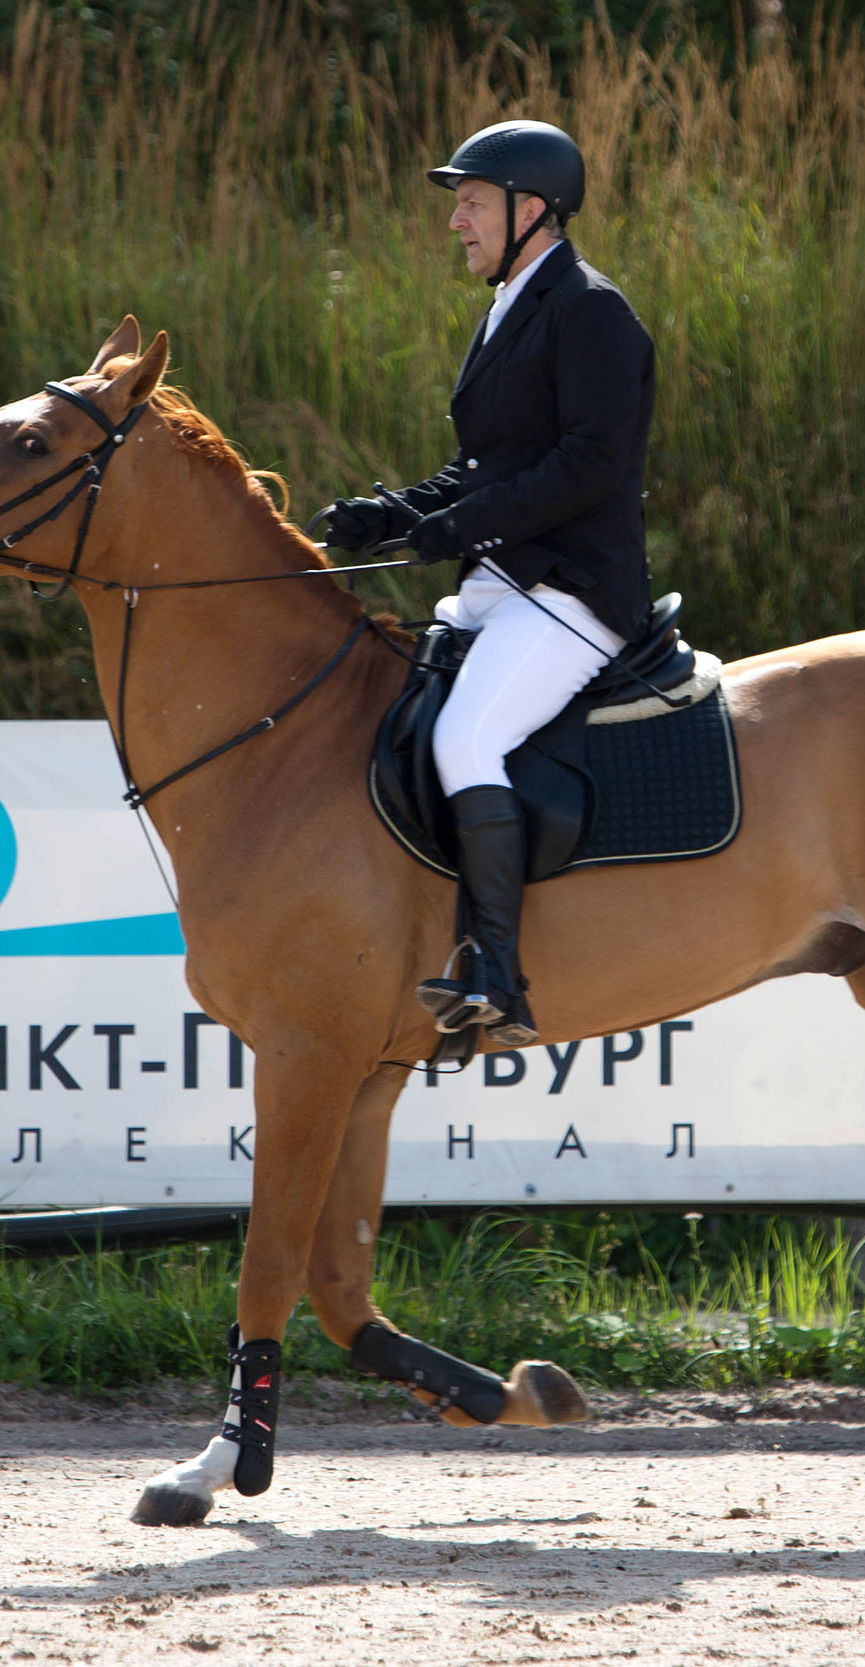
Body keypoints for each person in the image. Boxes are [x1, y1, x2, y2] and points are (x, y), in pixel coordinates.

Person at [319, 119, 657, 1049]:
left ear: (532, 208)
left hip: (574, 590)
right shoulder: (514, 306)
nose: (457, 223)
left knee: (469, 735)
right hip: (506, 581)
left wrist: (459, 526)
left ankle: (497, 979)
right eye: (460, 205)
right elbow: (491, 466)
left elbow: (590, 463)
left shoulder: (594, 310)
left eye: (471, 204)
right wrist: (394, 513)